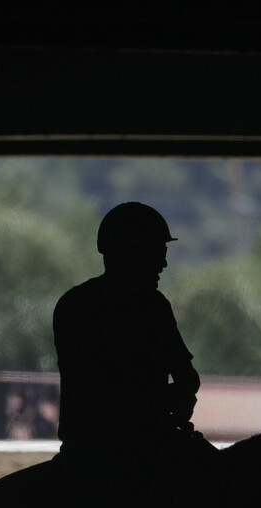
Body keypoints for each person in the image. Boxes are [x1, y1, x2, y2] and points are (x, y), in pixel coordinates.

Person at [52, 201, 213, 487]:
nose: (163, 263)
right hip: (145, 449)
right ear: (131, 252)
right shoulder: (154, 307)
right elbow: (186, 379)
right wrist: (170, 400)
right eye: (157, 253)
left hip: (86, 453)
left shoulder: (74, 305)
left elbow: (90, 393)